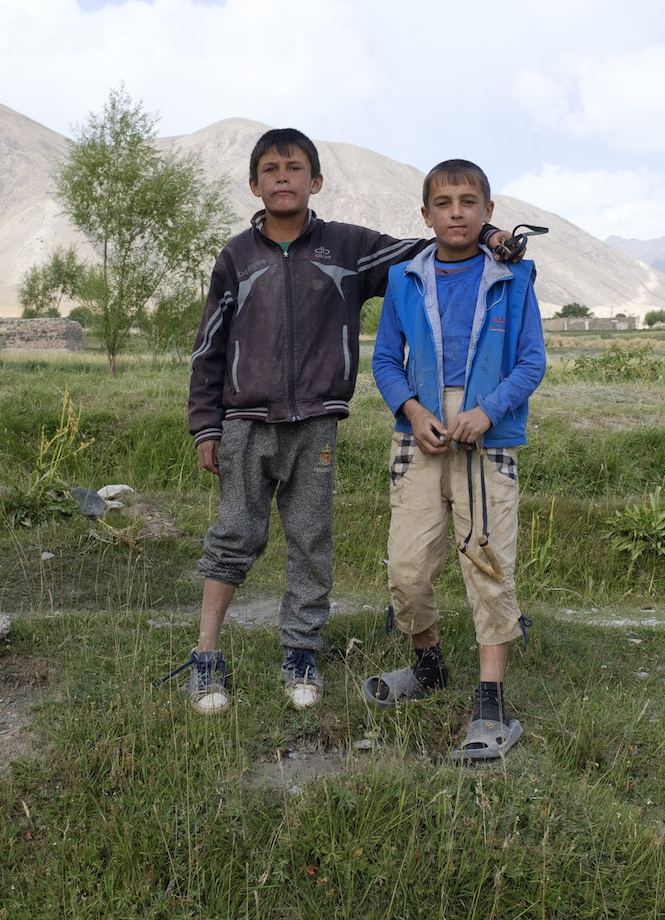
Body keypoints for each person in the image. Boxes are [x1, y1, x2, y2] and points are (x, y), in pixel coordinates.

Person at [166, 129, 521, 714]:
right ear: (254, 185)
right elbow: (209, 344)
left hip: (317, 425)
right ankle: (206, 653)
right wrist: (206, 425)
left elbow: (432, 243)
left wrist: (488, 235)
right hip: (244, 424)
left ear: (317, 181)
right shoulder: (235, 257)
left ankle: (301, 652)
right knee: (233, 537)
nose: (284, 177)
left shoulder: (348, 248)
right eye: (272, 169)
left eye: (296, 167)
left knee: (311, 542)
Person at [363, 158, 545, 760]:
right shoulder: (404, 280)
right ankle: (429, 665)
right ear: (426, 215)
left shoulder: (514, 279)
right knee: (407, 569)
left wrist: (486, 412)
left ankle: (491, 700)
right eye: (444, 203)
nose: (457, 212)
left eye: (470, 202)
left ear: (489, 211)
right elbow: (386, 360)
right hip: (421, 437)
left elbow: (530, 362)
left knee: (488, 564)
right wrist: (415, 412)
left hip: (487, 440)